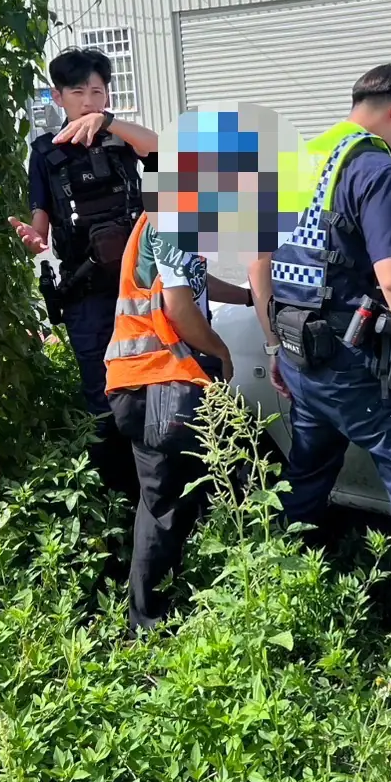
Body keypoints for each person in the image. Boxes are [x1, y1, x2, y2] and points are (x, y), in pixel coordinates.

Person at [246, 64, 391, 731]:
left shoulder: (302, 158)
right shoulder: (374, 169)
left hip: (301, 354)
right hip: (354, 367)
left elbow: (260, 263)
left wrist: (273, 347)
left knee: (308, 476)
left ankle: (278, 607)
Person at [10, 48, 158, 493]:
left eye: (98, 90)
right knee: (102, 393)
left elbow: (160, 148)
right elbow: (41, 216)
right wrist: (34, 238)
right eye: (78, 91)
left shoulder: (124, 140)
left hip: (140, 288)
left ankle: (159, 482)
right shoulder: (44, 152)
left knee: (153, 380)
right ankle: (118, 493)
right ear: (59, 97)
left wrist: (110, 124)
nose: (90, 100)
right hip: (85, 290)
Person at [105, 210, 253, 634]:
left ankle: (183, 598)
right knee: (164, 505)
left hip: (155, 382)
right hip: (153, 382)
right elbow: (180, 309)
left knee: (191, 491)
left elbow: (193, 283)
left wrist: (247, 297)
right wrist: (222, 352)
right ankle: (145, 626)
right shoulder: (173, 216)